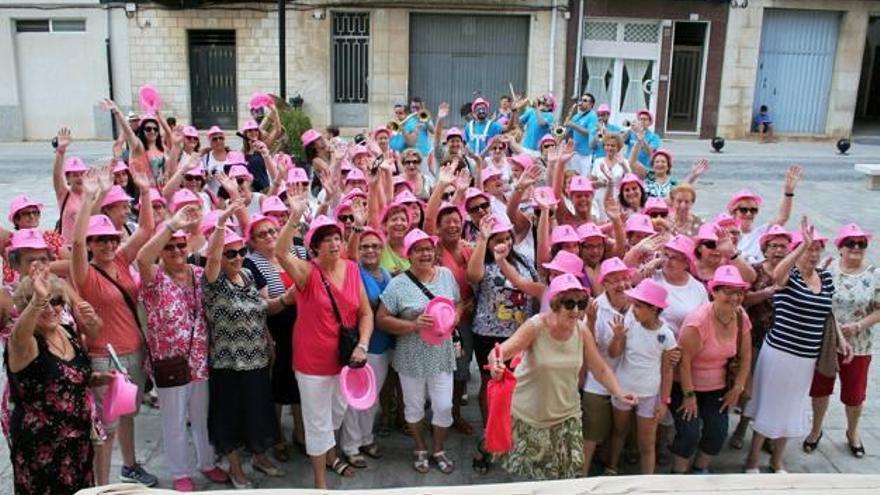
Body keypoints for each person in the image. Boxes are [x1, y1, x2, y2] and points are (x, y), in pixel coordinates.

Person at [488, 274, 636, 480]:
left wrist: (619, 392)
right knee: (532, 480)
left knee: (566, 477)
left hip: (567, 416)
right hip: (531, 417)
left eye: (581, 303)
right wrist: (496, 365)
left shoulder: (582, 331)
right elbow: (500, 352)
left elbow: (599, 368)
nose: (576, 310)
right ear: (556, 304)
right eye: (569, 304)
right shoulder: (536, 326)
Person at [70, 167, 157, 487]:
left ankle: (130, 466)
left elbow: (147, 229)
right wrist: (90, 200)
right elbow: (76, 245)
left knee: (127, 417)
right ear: (91, 243)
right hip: (105, 360)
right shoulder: (85, 273)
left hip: (133, 353)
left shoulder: (120, 260)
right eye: (100, 240)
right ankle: (101, 486)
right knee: (105, 428)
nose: (107, 244)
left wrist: (145, 191)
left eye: (111, 238)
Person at [276, 205, 373, 489]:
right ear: (314, 247)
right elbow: (281, 253)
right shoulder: (307, 273)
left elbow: (365, 313)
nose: (333, 243)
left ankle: (329, 456)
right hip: (312, 363)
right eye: (325, 239)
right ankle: (320, 484)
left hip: (346, 362)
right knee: (317, 423)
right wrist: (294, 217)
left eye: (336, 238)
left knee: (337, 413)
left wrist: (363, 345)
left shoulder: (353, 269)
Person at [135, 207, 229, 491]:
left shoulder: (199, 273)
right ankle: (179, 472)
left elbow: (215, 258)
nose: (176, 251)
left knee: (201, 416)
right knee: (174, 420)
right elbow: (141, 258)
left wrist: (221, 225)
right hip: (170, 363)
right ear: (161, 252)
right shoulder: (154, 279)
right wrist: (170, 224)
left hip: (200, 359)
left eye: (180, 245)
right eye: (169, 247)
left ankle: (207, 462)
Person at [744, 218, 845, 474]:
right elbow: (776, 275)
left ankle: (777, 460)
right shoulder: (790, 276)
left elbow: (828, 314)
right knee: (770, 405)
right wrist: (799, 248)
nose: (813, 253)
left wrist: (841, 340)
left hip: (806, 357)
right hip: (780, 352)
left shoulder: (826, 278)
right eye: (808, 248)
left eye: (817, 248)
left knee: (792, 406)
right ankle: (753, 460)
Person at [203, 203, 285, 489]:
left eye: (240, 252)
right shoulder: (213, 282)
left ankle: (260, 457)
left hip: (256, 358)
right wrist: (222, 224)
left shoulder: (247, 275)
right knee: (231, 417)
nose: (237, 257)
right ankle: (236, 468)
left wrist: (287, 300)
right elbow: (212, 259)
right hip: (229, 363)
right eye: (230, 253)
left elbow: (260, 307)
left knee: (257, 411)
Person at [5, 269, 104, 495]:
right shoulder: (25, 342)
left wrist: (94, 379)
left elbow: (68, 376)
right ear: (25, 307)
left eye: (56, 301)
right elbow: (19, 334)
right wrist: (38, 299)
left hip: (78, 441)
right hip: (42, 448)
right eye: (42, 304)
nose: (51, 309)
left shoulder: (67, 331)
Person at [376, 229, 461, 474]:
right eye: (418, 249)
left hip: (441, 354)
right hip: (411, 356)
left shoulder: (445, 275)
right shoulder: (398, 284)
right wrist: (413, 325)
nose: (425, 254)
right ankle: (420, 447)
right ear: (409, 254)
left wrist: (455, 317)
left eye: (428, 248)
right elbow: (382, 319)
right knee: (413, 406)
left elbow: (457, 304)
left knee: (444, 405)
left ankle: (439, 448)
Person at [805, 223, 879, 458]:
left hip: (859, 344)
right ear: (840, 247)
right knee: (820, 389)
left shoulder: (874, 274)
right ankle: (816, 430)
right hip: (825, 341)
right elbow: (819, 300)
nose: (856, 248)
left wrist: (858, 325)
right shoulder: (827, 268)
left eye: (861, 244)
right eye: (851, 243)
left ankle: (853, 432)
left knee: (854, 394)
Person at [672, 265, 753, 474]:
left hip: (718, 386)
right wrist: (689, 396)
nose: (734, 298)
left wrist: (738, 387)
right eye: (728, 291)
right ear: (714, 292)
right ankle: (677, 475)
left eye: (739, 292)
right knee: (689, 433)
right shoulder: (697, 322)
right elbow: (685, 361)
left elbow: (746, 356)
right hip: (685, 385)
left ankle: (700, 468)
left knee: (718, 431)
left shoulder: (741, 317)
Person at [242, 214, 308, 461]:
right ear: (253, 242)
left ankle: (301, 434)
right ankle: (277, 435)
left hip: (302, 328)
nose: (270, 236)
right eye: (263, 234)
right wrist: (286, 299)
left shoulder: (296, 253)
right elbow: (261, 306)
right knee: (278, 387)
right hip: (276, 330)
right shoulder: (252, 265)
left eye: (273, 231)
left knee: (300, 383)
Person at [467, 214, 540, 423]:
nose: (504, 243)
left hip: (520, 333)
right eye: (497, 239)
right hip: (488, 334)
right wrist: (482, 240)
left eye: (507, 238)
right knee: (490, 383)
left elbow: (535, 289)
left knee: (516, 383)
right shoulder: (483, 261)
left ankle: (510, 431)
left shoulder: (523, 260)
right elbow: (472, 276)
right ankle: (490, 433)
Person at [730, 225, 791, 449]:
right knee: (752, 387)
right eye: (773, 245)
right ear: (765, 249)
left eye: (783, 246)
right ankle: (742, 428)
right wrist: (766, 293)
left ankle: (766, 433)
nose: (778, 250)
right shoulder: (754, 270)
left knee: (774, 389)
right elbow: (742, 299)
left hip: (783, 341)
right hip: (755, 337)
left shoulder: (792, 274)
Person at [606, 279, 676, 475]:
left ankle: (648, 481)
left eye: (639, 306)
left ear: (654, 309)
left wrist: (664, 401)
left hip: (650, 394)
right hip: (624, 390)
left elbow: (667, 370)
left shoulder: (666, 335)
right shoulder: (629, 321)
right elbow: (613, 354)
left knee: (647, 443)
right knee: (619, 433)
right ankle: (612, 467)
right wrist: (617, 337)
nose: (633, 309)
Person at [340, 227, 392, 467]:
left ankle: (366, 438)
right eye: (365, 246)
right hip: (363, 345)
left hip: (384, 345)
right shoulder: (354, 271)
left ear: (382, 249)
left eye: (375, 246)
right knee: (356, 399)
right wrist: (356, 230)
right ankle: (351, 446)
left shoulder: (387, 274)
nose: (370, 250)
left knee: (372, 399)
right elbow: (347, 255)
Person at [581, 258, 633, 474]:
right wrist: (591, 322)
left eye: (624, 279)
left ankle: (612, 465)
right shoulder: (595, 307)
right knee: (592, 431)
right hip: (598, 377)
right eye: (614, 280)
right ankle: (582, 472)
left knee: (620, 430)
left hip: (628, 376)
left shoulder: (638, 303)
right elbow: (590, 348)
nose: (621, 284)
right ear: (605, 284)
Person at [727, 165, 801, 263]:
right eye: (743, 210)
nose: (749, 214)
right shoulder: (725, 232)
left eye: (753, 210)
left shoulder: (761, 233)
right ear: (733, 211)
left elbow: (783, 217)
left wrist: (788, 193)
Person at [2, 195, 66, 285]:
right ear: (16, 219)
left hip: (46, 282)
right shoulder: (9, 239)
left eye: (35, 212)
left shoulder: (50, 236)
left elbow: (71, 263)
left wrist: (41, 267)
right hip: (15, 288)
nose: (32, 216)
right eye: (26, 213)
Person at [565, 93, 598, 175]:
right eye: (581, 100)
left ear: (591, 104)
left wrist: (574, 125)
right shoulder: (576, 116)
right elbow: (567, 132)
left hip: (585, 155)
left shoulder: (592, 116)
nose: (581, 102)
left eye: (585, 101)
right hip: (574, 153)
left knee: (583, 180)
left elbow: (590, 132)